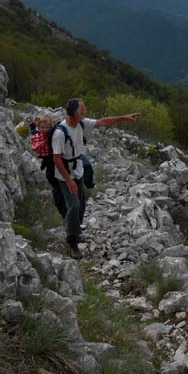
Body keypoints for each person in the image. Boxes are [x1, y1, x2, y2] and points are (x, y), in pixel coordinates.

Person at [53, 98, 139, 258]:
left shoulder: (81, 123)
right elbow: (56, 158)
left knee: (81, 205)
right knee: (74, 205)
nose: (85, 111)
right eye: (83, 109)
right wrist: (69, 180)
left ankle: (73, 229)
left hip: (77, 170)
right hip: (65, 175)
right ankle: (72, 242)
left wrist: (124, 117)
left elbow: (103, 122)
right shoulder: (60, 132)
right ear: (75, 113)